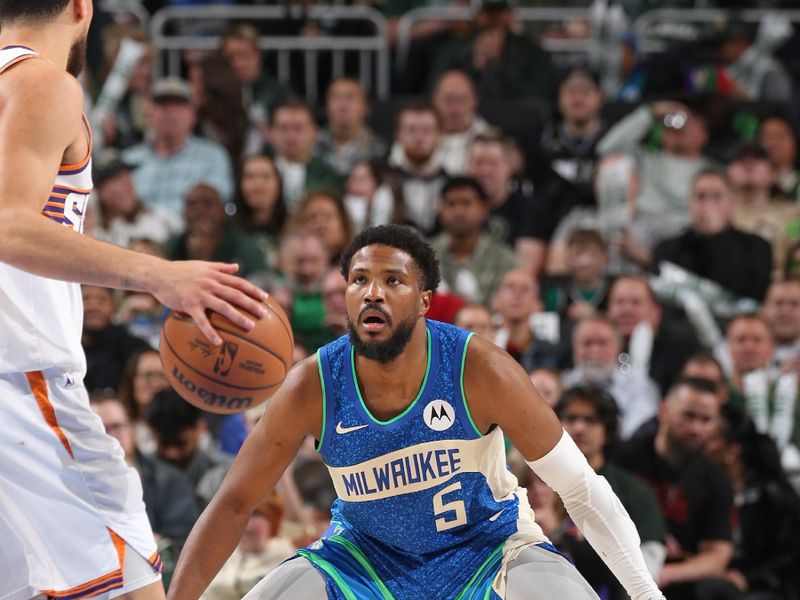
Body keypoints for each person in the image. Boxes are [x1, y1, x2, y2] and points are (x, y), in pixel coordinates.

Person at [168, 225, 664, 600]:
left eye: (392, 280)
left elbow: (580, 487)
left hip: (487, 547)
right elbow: (233, 504)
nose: (373, 292)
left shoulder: (480, 367)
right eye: (358, 280)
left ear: (425, 300)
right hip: (363, 557)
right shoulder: (312, 385)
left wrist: (646, 595)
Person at [0, 2, 269, 598]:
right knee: (132, 585)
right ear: (81, 7)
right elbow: (10, 228)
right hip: (22, 386)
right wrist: (159, 275)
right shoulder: (43, 81)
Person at [616, 379, 739, 600]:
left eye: (706, 420)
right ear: (664, 410)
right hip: (623, 562)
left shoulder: (716, 481)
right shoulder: (624, 458)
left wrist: (664, 574)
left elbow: (717, 555)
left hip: (675, 578)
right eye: (689, 416)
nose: (696, 429)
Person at [554, 386, 667, 600]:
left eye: (591, 420)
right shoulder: (533, 481)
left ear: (608, 431)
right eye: (571, 418)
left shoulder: (635, 491)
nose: (579, 427)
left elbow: (649, 562)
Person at [431, 176, 518, 305]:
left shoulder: (505, 261)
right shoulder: (424, 256)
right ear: (440, 209)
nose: (458, 212)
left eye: (466, 203)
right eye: (451, 204)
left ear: (484, 208)